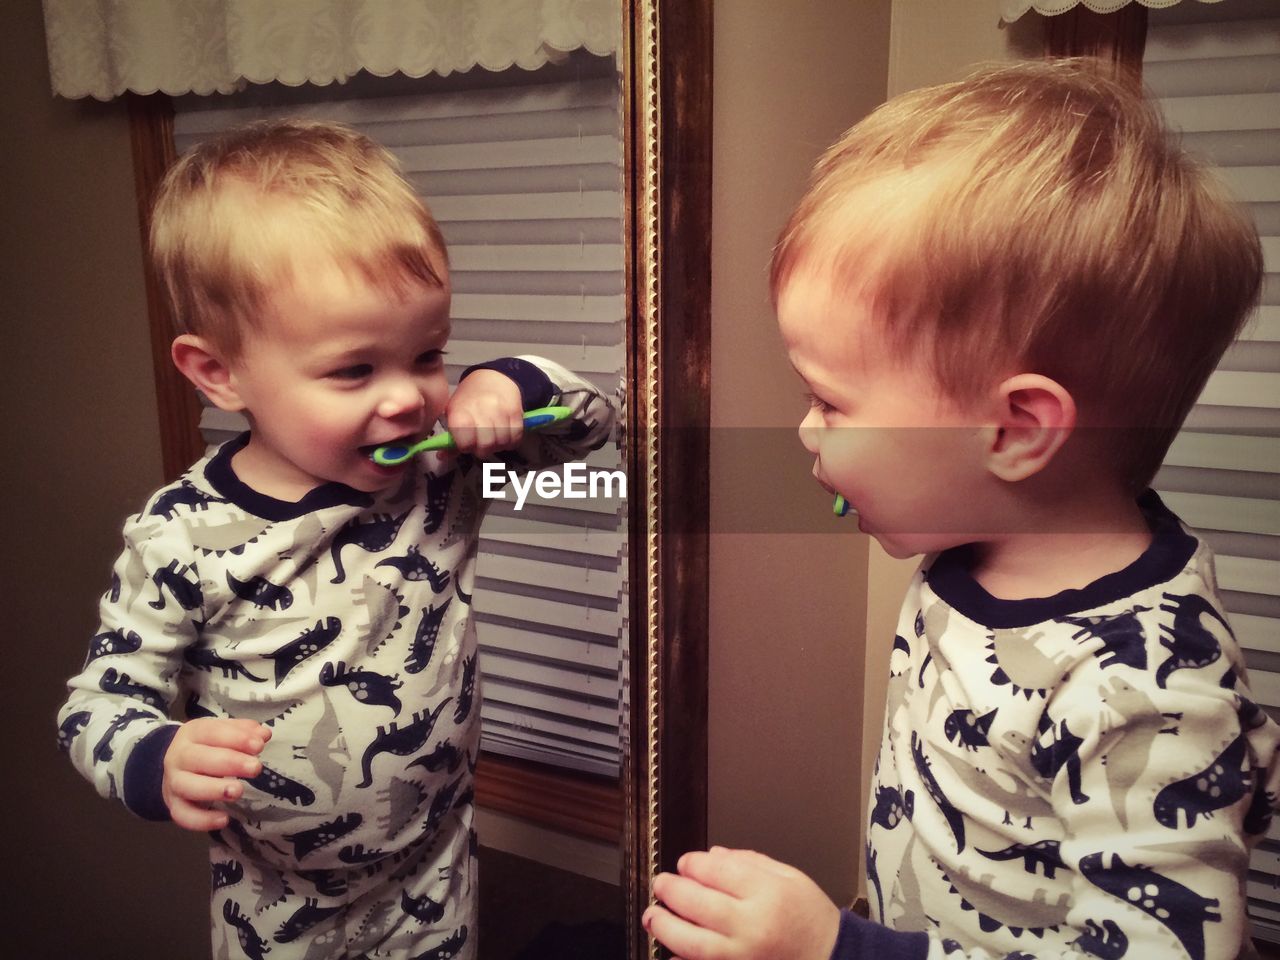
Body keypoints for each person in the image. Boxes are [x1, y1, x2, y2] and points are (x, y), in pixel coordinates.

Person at [643, 59, 1280, 960]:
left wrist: (841, 951)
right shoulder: (977, 546)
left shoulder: (1145, 692)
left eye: (832, 401)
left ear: (1015, 432)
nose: (805, 429)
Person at [56, 119, 615, 960]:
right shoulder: (179, 535)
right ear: (220, 372)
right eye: (355, 370)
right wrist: (153, 754)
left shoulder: (445, 475)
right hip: (276, 908)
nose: (407, 399)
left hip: (435, 879)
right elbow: (95, 704)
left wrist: (508, 381)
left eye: (427, 354)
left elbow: (593, 421)